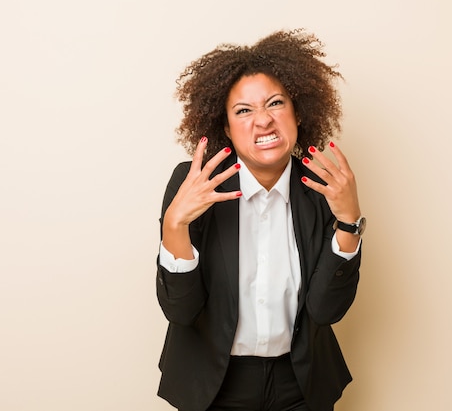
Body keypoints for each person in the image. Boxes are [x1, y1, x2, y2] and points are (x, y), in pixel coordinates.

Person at [156, 28, 365, 411]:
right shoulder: (193, 185)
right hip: (214, 386)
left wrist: (349, 221)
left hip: (300, 384)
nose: (263, 121)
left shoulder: (322, 190)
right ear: (225, 127)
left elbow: (325, 311)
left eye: (275, 104)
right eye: (243, 111)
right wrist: (175, 226)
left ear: (298, 112)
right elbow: (180, 311)